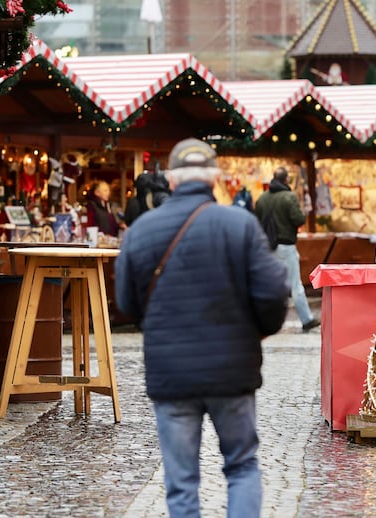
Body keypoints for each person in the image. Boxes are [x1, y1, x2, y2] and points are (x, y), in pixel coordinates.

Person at [115, 138, 288, 518]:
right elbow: (275, 293)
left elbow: (126, 304)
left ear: (172, 181)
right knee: (242, 466)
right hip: (233, 369)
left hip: (171, 373)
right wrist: (257, 331)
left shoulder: (142, 232)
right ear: (214, 179)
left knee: (181, 482)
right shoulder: (240, 225)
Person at [255, 166, 320, 332]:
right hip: (285, 246)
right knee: (295, 284)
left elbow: (256, 221)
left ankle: (261, 319)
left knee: (268, 284)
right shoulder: (289, 197)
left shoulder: (262, 198)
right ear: (286, 180)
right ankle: (306, 319)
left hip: (267, 247)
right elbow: (298, 219)